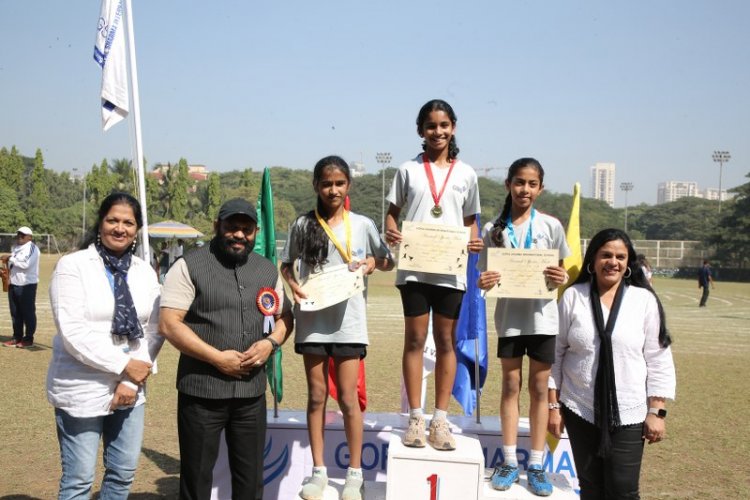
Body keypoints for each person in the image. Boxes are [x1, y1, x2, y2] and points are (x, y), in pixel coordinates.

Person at [159, 198, 293, 500]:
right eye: (232, 227)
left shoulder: (266, 269)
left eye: (247, 229)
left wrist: (270, 343)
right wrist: (217, 359)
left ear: (256, 232)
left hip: (250, 396)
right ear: (217, 226)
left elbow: (285, 317)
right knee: (196, 481)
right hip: (201, 394)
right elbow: (169, 324)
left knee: (250, 482)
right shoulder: (188, 265)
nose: (239, 235)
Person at [280, 156, 393, 500]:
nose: (333, 190)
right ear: (316, 185)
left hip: (349, 324)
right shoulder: (302, 225)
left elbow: (387, 260)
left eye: (339, 183)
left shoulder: (362, 224)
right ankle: (318, 472)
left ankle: (355, 475)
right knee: (317, 396)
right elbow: (286, 264)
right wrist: (293, 286)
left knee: (347, 398)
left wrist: (372, 261)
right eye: (327, 183)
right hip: (313, 322)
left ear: (348, 185)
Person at [46, 193, 164, 498]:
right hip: (82, 384)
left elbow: (154, 330)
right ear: (100, 223)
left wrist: (130, 379)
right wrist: (124, 365)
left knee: (123, 473)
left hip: (131, 386)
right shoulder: (72, 265)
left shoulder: (144, 271)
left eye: (128, 222)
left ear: (137, 229)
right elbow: (72, 332)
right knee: (79, 479)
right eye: (113, 220)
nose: (120, 228)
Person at [548, 228, 676, 500]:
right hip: (579, 406)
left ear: (628, 263)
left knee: (623, 490)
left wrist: (657, 411)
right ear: (593, 260)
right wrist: (554, 407)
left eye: (620, 257)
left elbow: (658, 357)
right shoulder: (573, 296)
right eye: (606, 255)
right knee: (590, 488)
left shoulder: (643, 300)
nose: (613, 262)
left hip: (629, 410)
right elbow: (555, 354)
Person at [385, 99, 483, 450]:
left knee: (445, 342)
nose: (437, 132)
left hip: (450, 271)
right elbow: (392, 213)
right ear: (420, 130)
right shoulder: (408, 170)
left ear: (453, 127)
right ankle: (415, 417)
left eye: (444, 125)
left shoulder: (466, 173)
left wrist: (474, 241)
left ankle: (439, 420)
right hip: (414, 269)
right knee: (414, 340)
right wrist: (391, 231)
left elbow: (470, 221)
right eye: (431, 126)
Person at [477, 158, 570, 496]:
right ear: (508, 185)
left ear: (540, 188)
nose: (525, 189)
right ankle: (508, 461)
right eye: (519, 182)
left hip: (543, 318)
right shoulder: (494, 229)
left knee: (540, 389)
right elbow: (485, 276)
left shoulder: (551, 226)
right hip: (510, 320)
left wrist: (561, 276)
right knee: (510, 385)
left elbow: (562, 271)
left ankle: (536, 464)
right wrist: (484, 280)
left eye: (532, 184)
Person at [2, 226, 40, 348]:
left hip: (26, 285)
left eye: (23, 235)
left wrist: (10, 258)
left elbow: (26, 264)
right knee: (15, 313)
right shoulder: (16, 248)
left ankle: (28, 339)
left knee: (28, 313)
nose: (20, 237)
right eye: (18, 234)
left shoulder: (33, 248)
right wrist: (5, 271)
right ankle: (16, 337)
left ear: (30, 237)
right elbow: (14, 264)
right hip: (13, 284)